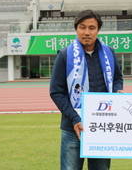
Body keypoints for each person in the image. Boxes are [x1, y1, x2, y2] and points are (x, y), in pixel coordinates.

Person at [50, 9, 123, 170]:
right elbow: (56, 91)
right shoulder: (64, 55)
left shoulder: (109, 53)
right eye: (82, 27)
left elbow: (117, 77)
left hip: (102, 127)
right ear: (76, 29)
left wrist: (117, 92)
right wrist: (75, 119)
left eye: (92, 28)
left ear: (98, 30)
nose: (87, 32)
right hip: (73, 128)